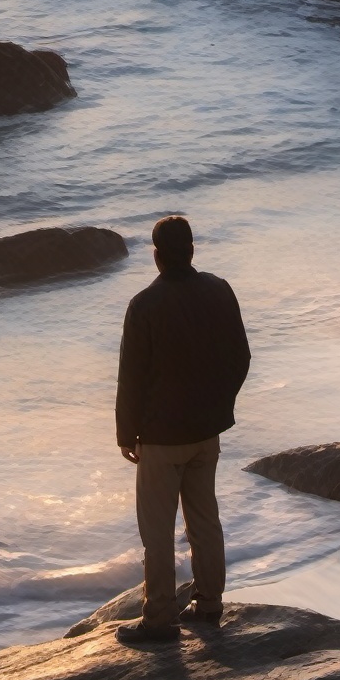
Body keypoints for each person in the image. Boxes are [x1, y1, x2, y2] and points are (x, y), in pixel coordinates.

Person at [114, 214, 251, 645]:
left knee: (157, 535)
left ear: (156, 256)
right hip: (204, 432)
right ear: (192, 250)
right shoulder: (219, 290)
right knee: (204, 519)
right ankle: (209, 604)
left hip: (160, 437)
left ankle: (159, 621)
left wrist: (125, 432)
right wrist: (219, 406)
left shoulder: (145, 305)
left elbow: (131, 377)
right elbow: (240, 357)